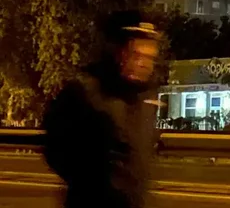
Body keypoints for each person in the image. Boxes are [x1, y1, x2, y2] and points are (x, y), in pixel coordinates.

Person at [43, 11, 162, 208]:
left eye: (149, 56)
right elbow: (55, 149)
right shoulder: (85, 92)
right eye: (136, 54)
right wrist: (94, 185)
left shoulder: (146, 98)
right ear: (116, 50)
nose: (144, 63)